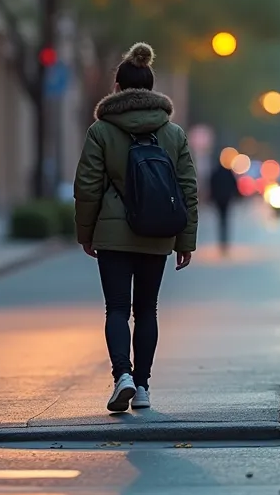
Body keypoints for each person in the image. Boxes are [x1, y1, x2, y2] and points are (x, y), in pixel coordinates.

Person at [74, 42, 200, 413]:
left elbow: (87, 186)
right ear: (151, 88)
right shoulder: (173, 133)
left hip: (113, 233)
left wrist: (86, 233)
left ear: (117, 88)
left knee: (116, 309)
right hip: (157, 231)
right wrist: (185, 240)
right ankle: (143, 386)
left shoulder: (101, 131)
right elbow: (187, 188)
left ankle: (122, 377)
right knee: (147, 310)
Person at [208, 155, 239, 253]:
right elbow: (234, 185)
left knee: (221, 219)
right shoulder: (228, 172)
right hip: (226, 199)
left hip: (218, 200)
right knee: (224, 219)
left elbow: (211, 185)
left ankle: (222, 240)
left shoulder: (215, 173)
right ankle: (224, 240)